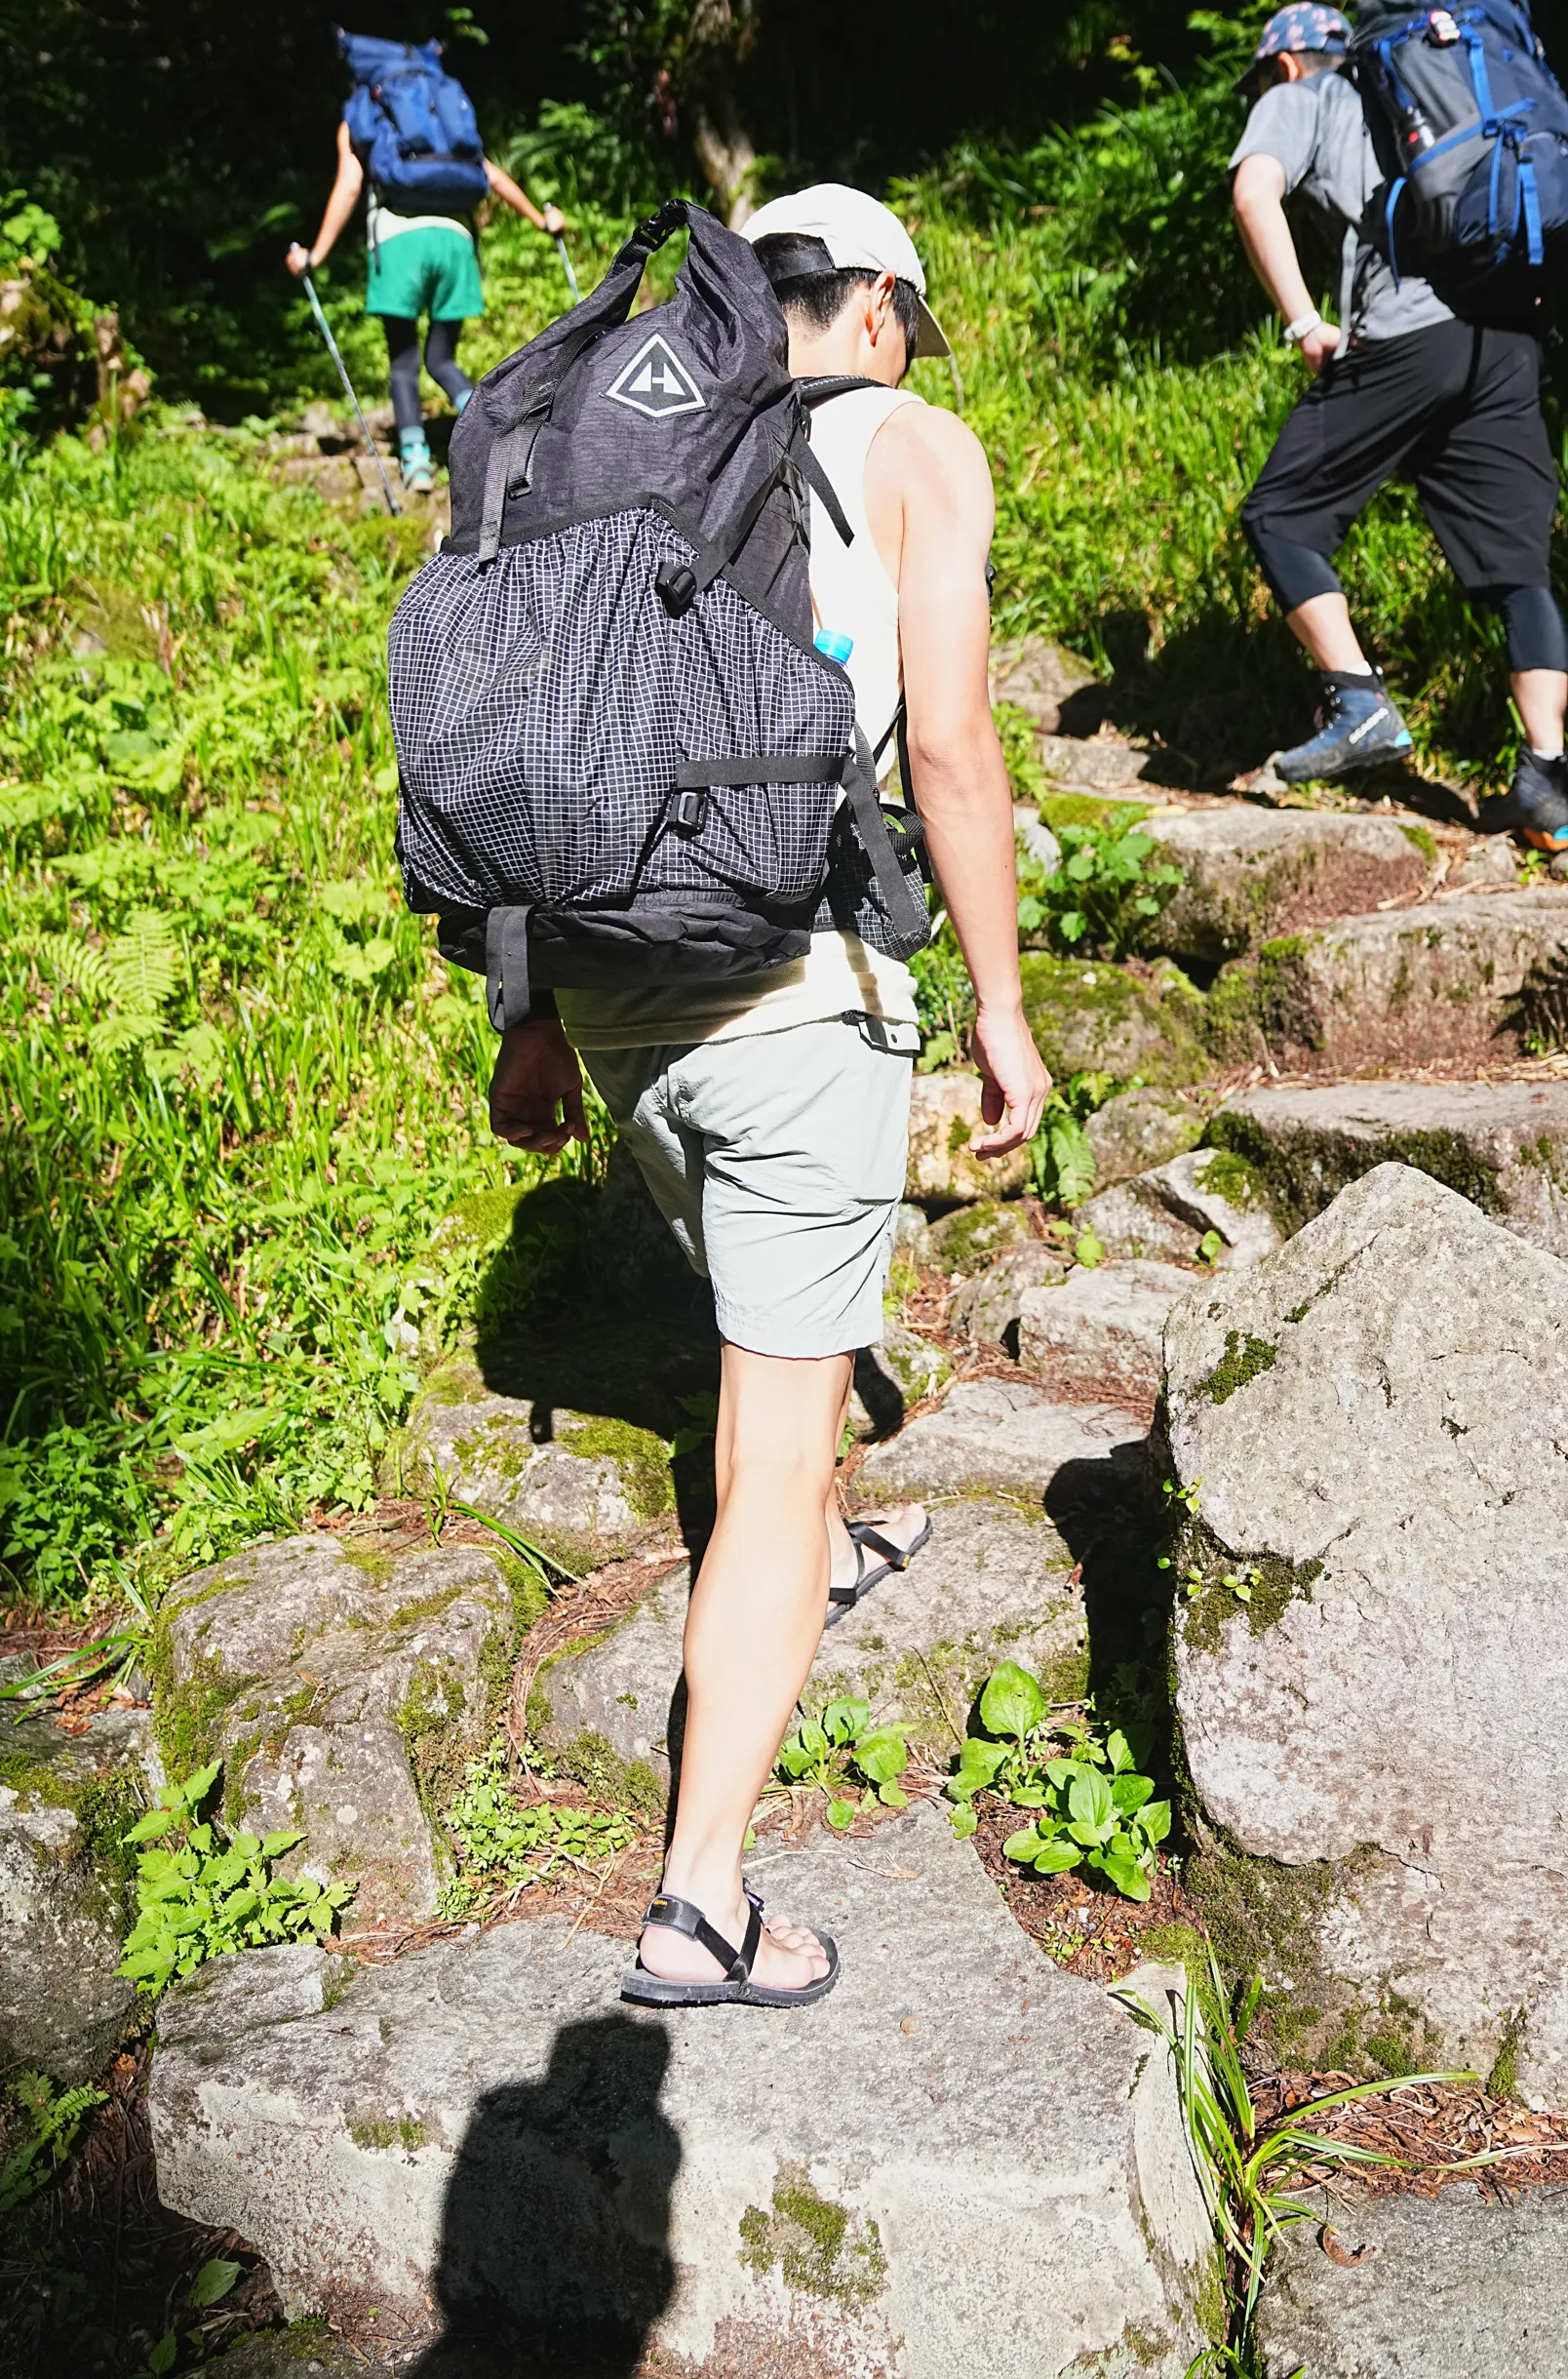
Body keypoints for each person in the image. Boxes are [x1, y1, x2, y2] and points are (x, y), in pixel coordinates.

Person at [483, 182, 1051, 2004]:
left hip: (613, 998)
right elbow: (953, 742)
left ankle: (814, 1543)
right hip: (799, 992)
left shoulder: (619, 434)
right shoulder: (912, 442)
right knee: (785, 1418)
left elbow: (524, 730)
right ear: (879, 301)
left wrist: (529, 1019)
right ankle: (702, 1901)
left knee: (764, 1362)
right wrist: (1004, 1011)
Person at [1230, 2, 1568, 850]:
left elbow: (1253, 193)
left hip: (1405, 335)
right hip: (1505, 338)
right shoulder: (1451, 98)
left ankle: (1359, 702)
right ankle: (1549, 784)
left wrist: (1303, 320)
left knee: (1278, 515)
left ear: (1285, 64)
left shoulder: (1305, 96)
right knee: (1516, 568)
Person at [286, 118, 566, 497]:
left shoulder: (361, 117)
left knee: (404, 361)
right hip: (455, 241)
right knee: (441, 359)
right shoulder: (441, 119)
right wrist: (541, 220)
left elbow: (350, 185)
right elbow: (492, 177)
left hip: (399, 242)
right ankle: (492, 435)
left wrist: (314, 255)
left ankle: (416, 462)